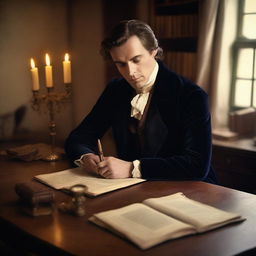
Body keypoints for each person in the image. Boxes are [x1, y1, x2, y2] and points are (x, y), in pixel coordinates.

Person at [65, 19, 217, 183]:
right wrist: (86, 157)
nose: (130, 72)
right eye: (121, 64)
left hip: (192, 189)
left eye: (136, 60)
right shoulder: (116, 90)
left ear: (153, 51)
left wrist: (132, 168)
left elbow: (197, 166)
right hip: (138, 188)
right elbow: (79, 137)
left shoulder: (191, 95)